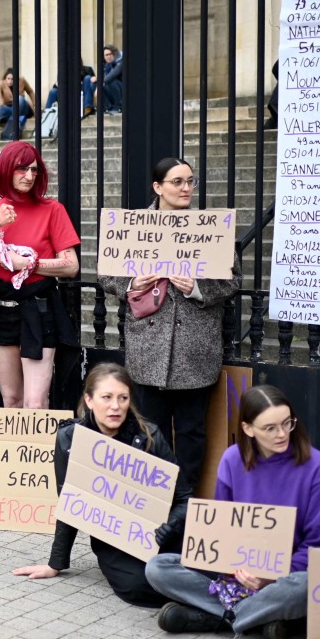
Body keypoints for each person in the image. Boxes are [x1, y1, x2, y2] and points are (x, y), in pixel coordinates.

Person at [145, 385, 320, 639]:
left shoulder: (318, 468)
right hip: (236, 572)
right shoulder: (232, 459)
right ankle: (255, 617)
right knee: (158, 568)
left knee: (306, 588)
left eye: (287, 423)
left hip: (286, 576)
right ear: (248, 429)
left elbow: (318, 546)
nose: (282, 434)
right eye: (270, 428)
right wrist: (235, 568)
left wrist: (271, 576)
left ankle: (219, 617)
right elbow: (223, 530)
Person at [98, 156, 241, 491]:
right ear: (157, 187)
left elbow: (232, 279)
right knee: (150, 428)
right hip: (148, 347)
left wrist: (196, 289)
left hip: (195, 347)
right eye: (177, 182)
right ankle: (152, 500)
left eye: (190, 181)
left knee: (192, 432)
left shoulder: (209, 227)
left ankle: (185, 503)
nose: (186, 188)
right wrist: (133, 284)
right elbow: (107, 274)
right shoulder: (134, 225)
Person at [13, 362, 191, 606]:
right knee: (137, 587)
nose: (115, 406)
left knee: (199, 568)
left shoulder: (149, 435)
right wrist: (56, 564)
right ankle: (200, 605)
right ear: (89, 400)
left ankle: (208, 604)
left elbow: (184, 499)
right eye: (106, 397)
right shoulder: (69, 439)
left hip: (162, 531)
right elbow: (70, 502)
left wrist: (170, 526)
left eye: (123, 398)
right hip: (116, 539)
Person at [0, 141, 80, 410]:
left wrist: (28, 265)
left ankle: (44, 453)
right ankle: (17, 454)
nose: (29, 176)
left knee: (35, 402)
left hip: (39, 311)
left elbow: (71, 266)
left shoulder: (52, 209)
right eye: (22, 169)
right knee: (12, 400)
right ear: (6, 170)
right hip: (0, 312)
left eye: (34, 170)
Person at [0, 68, 37, 137]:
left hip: (23, 107)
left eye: (12, 79)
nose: (10, 81)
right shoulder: (1, 84)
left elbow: (30, 91)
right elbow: (1, 103)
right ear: (5, 78)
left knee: (19, 99)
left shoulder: (22, 80)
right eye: (8, 78)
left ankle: (13, 125)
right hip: (11, 109)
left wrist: (35, 104)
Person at [91, 44, 124, 114]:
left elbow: (112, 75)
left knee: (110, 81)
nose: (108, 56)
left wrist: (99, 85)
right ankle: (105, 107)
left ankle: (118, 106)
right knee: (93, 82)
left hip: (122, 91)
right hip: (112, 90)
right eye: (106, 55)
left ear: (114, 54)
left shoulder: (120, 62)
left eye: (110, 54)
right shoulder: (106, 66)